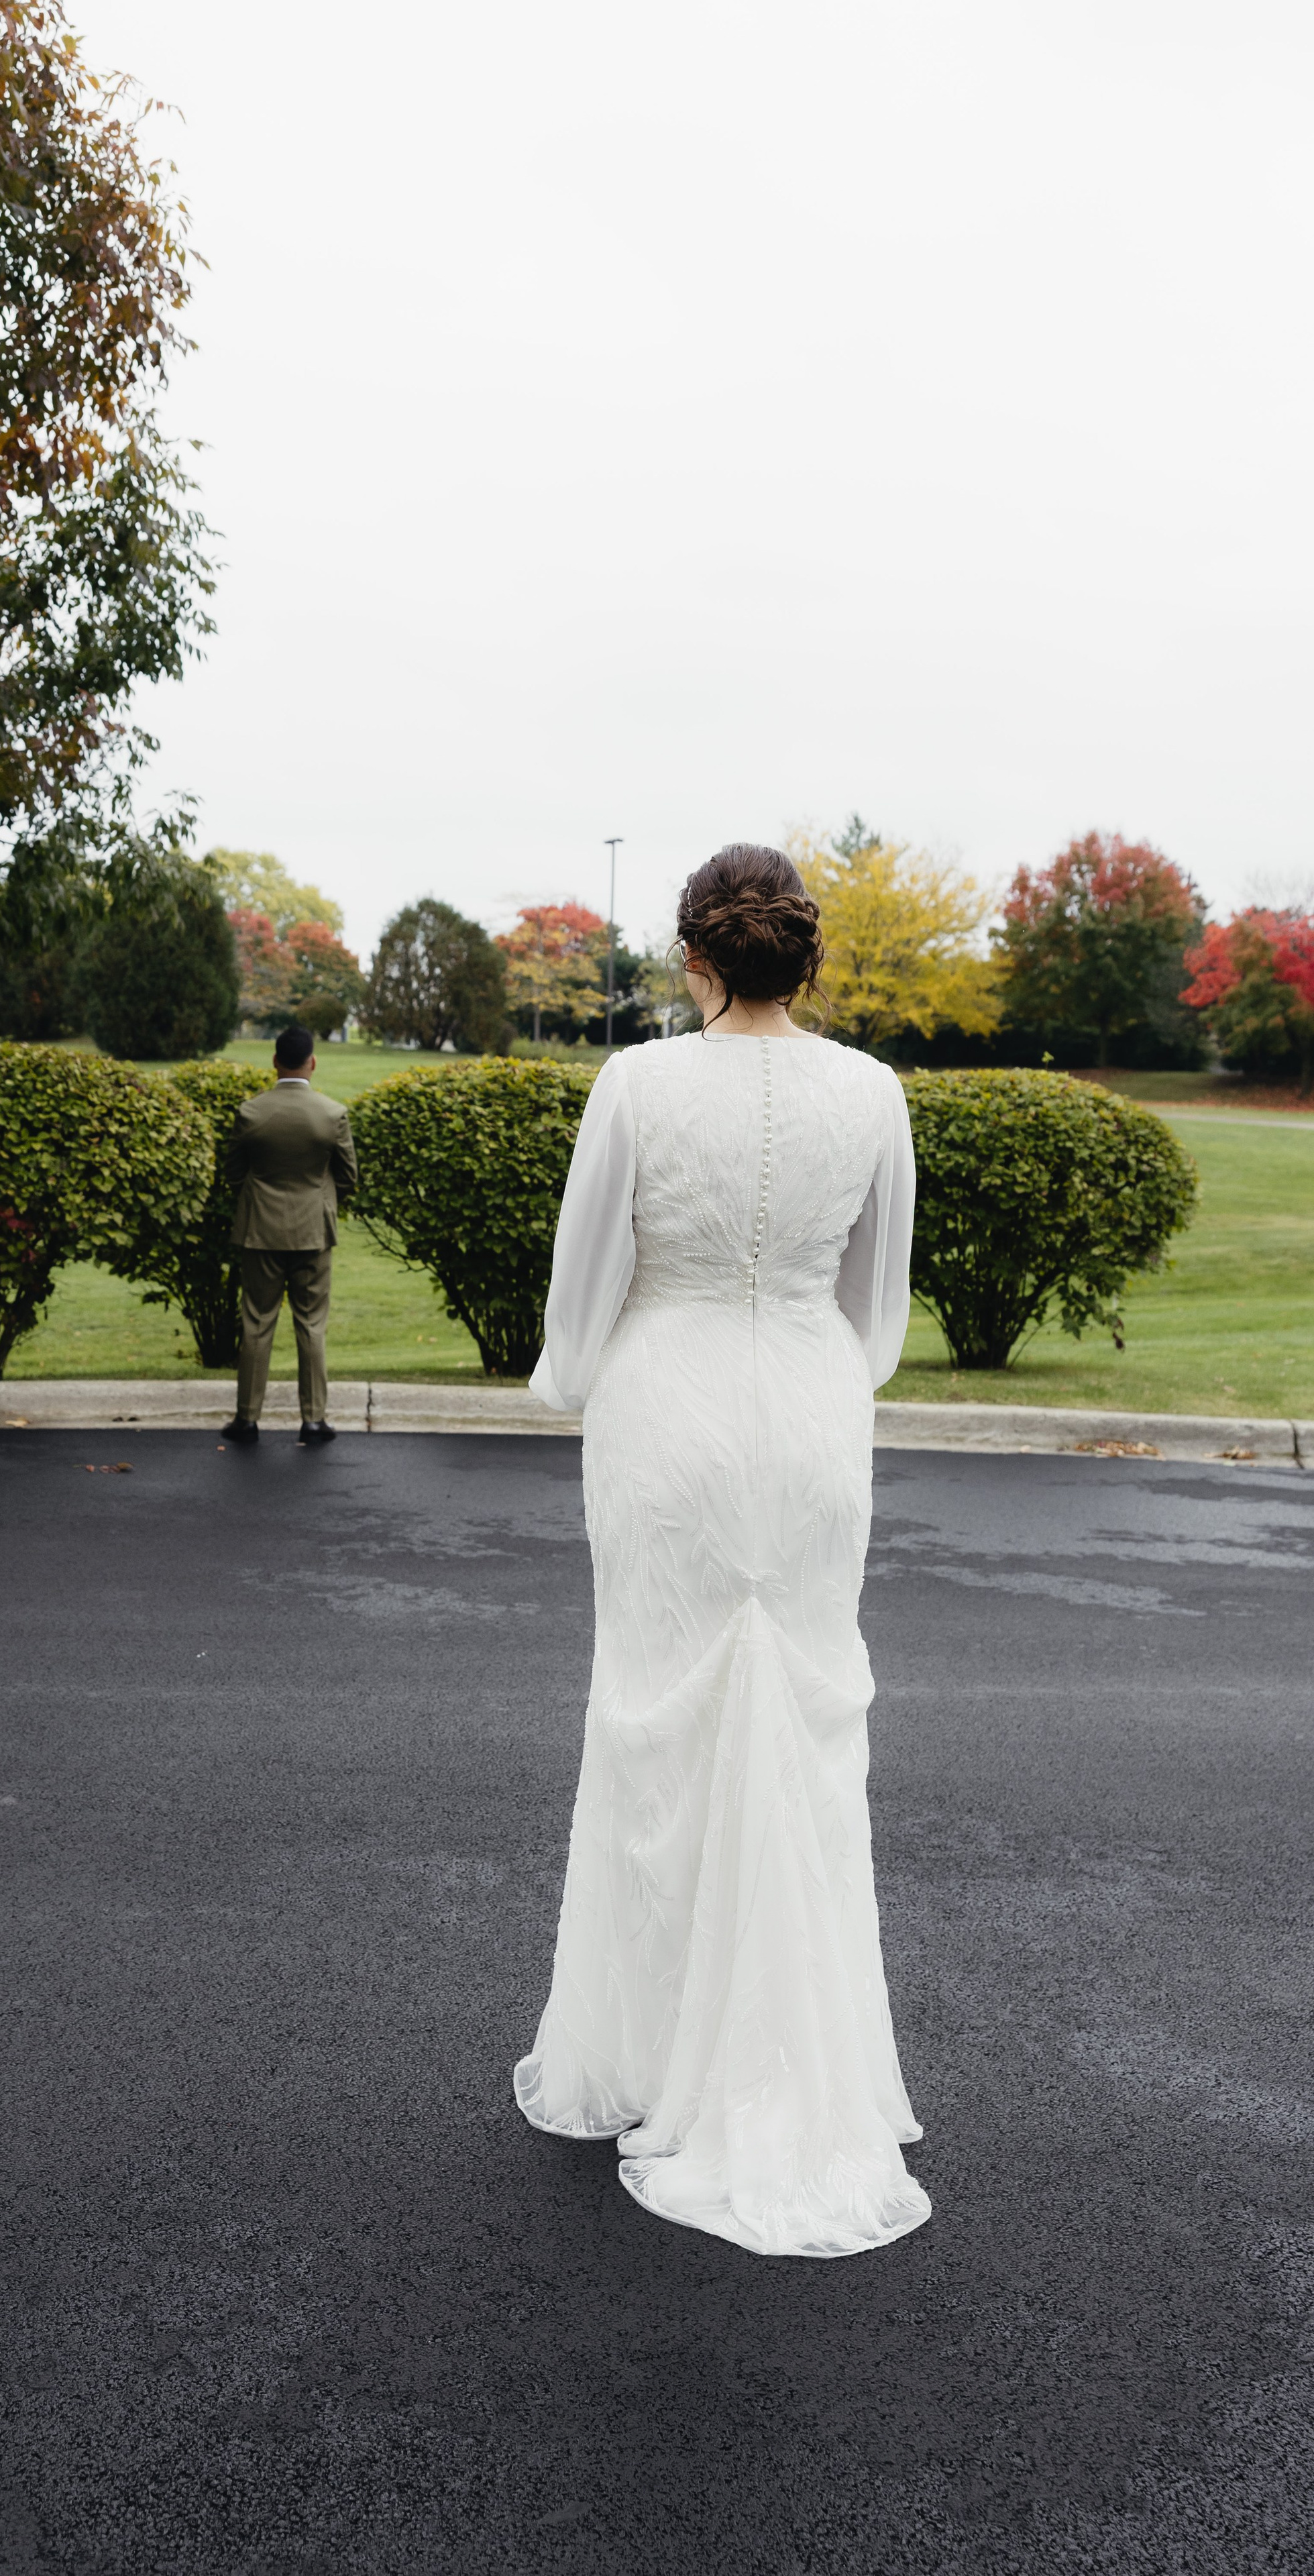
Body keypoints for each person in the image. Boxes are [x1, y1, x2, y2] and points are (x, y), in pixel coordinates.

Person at [513, 843, 930, 2258]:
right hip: (811, 1421)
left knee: (651, 1729)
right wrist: (815, 1374)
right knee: (806, 1730)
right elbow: (875, 1314)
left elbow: (584, 1287)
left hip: (664, 1418)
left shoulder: (634, 1084)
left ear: (694, 955)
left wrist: (573, 1379)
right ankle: (788, 2057)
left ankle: (643, 2053)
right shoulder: (871, 1093)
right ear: (801, 956)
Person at [220, 1025, 359, 1448]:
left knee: (257, 1324)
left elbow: (232, 1174)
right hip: (313, 1231)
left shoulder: (251, 1112)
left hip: (260, 1231)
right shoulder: (332, 1115)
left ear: (276, 1062)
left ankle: (247, 1419)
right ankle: (313, 1420)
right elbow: (349, 1177)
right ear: (312, 1062)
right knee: (312, 1325)